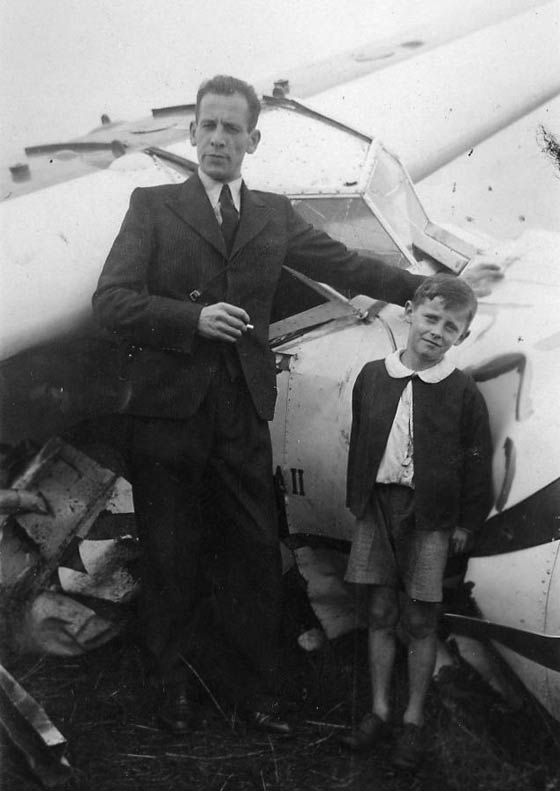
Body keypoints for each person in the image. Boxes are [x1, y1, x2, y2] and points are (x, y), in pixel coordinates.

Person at [92, 75, 499, 737]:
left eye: (232, 128)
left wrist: (424, 286)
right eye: (208, 126)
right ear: (192, 133)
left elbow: (346, 264)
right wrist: (191, 318)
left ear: (254, 139)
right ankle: (173, 691)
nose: (218, 138)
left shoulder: (273, 214)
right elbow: (110, 303)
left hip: (242, 410)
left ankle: (259, 692)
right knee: (170, 553)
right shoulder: (152, 206)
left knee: (255, 552)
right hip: (168, 416)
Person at [340, 273, 493, 770]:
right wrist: (358, 497)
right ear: (410, 311)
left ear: (461, 338)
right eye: (430, 318)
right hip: (378, 509)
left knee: (421, 620)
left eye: (450, 327)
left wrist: (466, 522)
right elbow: (361, 434)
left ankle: (413, 719)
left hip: (430, 518)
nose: (436, 332)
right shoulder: (371, 375)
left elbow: (475, 459)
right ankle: (380, 711)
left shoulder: (462, 391)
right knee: (381, 613)